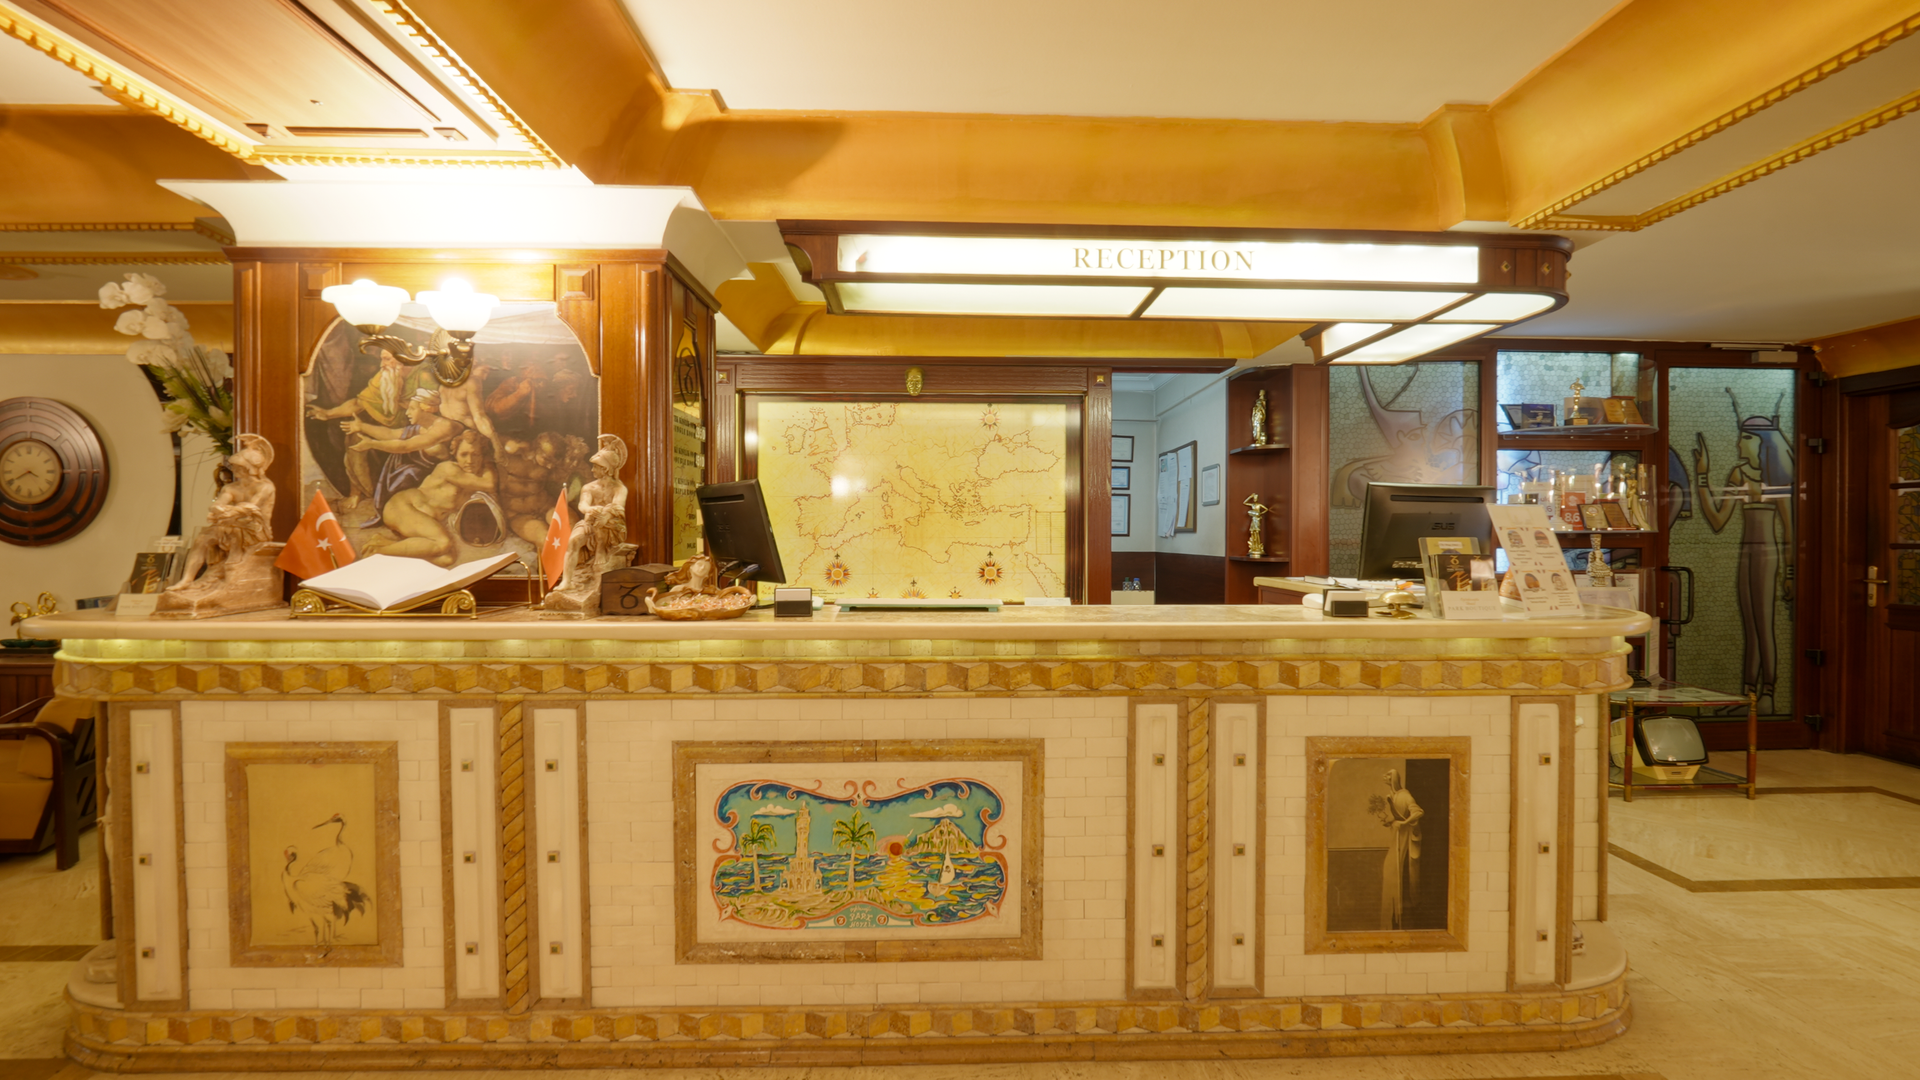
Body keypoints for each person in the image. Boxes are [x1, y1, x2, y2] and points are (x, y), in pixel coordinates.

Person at [1693, 392, 1796, 714]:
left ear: (1761, 442)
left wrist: (1790, 574)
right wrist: (1702, 475)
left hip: (1768, 555)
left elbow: (1790, 531)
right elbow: (1717, 519)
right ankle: (1748, 697)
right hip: (1745, 553)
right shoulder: (1739, 474)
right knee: (1750, 626)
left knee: (1764, 625)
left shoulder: (1778, 477)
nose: (1739, 444)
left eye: (1745, 438)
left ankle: (1769, 695)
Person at [306, 348, 437, 510]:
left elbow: (434, 408)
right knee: (354, 439)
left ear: (402, 360)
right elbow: (359, 403)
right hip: (391, 429)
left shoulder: (423, 375)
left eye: (387, 359)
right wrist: (328, 414)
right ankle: (359, 493)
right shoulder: (385, 376)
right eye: (382, 359)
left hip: (417, 431)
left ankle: (379, 499)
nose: (382, 365)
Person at [360, 429, 497, 567]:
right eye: (464, 454)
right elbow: (490, 484)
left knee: (447, 559)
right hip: (402, 506)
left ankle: (384, 543)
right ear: (455, 454)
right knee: (443, 543)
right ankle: (377, 552)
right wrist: (489, 463)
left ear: (482, 456)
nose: (469, 461)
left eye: (476, 454)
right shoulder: (449, 469)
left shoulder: (474, 479)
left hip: (422, 520)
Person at [168, 435, 275, 592]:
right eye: (234, 466)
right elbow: (218, 504)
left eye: (238, 466)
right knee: (203, 538)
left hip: (255, 530)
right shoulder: (231, 488)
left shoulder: (265, 487)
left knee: (235, 530)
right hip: (230, 523)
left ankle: (231, 572)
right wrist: (217, 511)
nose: (234, 469)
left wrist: (227, 513)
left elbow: (250, 508)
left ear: (250, 468)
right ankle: (187, 579)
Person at [344, 389, 464, 527]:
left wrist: (372, 444)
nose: (407, 413)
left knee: (407, 470)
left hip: (445, 482)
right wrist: (361, 426)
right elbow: (391, 434)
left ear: (426, 408)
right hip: (426, 476)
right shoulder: (422, 428)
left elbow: (406, 446)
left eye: (412, 409)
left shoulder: (444, 426)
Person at [550, 435, 630, 599]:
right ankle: (567, 581)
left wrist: (605, 515)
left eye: (596, 467)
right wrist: (591, 509)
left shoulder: (619, 488)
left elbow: (618, 507)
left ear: (606, 469)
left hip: (612, 526)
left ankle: (600, 550)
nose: (592, 470)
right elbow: (583, 505)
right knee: (573, 541)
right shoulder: (589, 487)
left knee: (602, 517)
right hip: (590, 522)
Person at [1374, 768, 1424, 931]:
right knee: (1389, 869)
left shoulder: (1405, 795)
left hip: (1405, 837)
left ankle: (1400, 913)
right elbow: (1398, 816)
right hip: (1396, 836)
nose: (1385, 776)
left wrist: (1403, 823)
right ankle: (1392, 913)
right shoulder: (1392, 796)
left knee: (1398, 870)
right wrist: (1391, 821)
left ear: (1394, 778)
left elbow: (1418, 812)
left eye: (1388, 775)